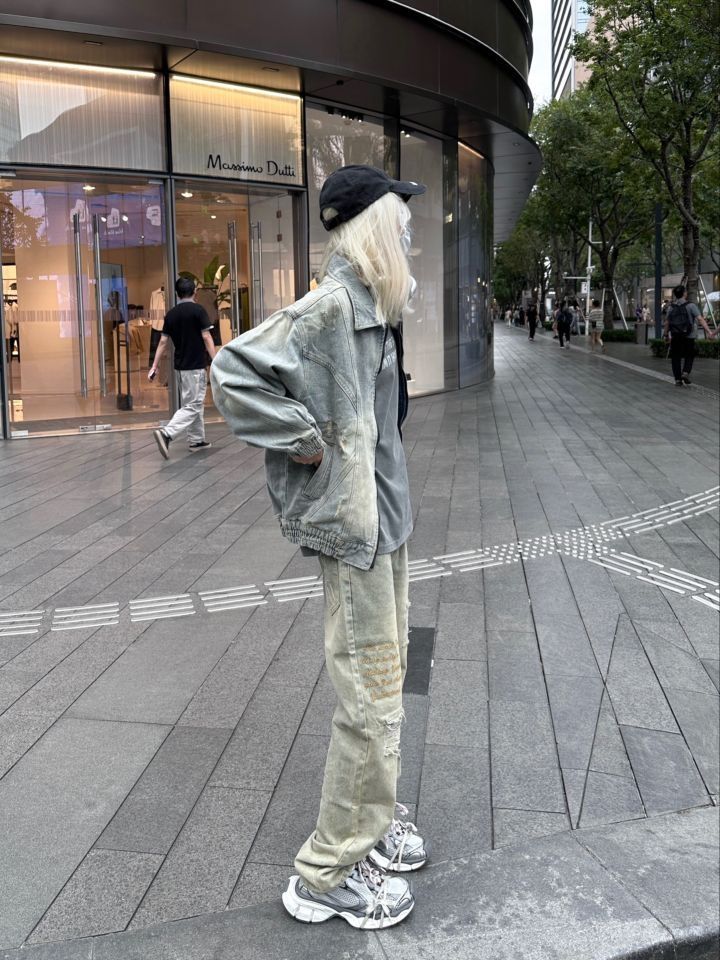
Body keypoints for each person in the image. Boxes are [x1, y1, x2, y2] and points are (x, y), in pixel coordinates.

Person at [211, 164, 429, 930]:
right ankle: (325, 872)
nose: (410, 235)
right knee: (369, 703)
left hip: (389, 530)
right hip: (357, 538)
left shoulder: (374, 309)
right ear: (372, 229)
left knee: (388, 692)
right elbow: (233, 372)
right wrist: (305, 438)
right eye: (401, 222)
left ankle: (371, 824)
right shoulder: (333, 308)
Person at [149, 276, 216, 457]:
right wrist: (215, 361)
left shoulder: (171, 314)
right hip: (195, 366)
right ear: (195, 292)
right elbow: (206, 337)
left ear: (177, 294)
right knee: (194, 404)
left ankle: (196, 440)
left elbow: (163, 342)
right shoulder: (198, 311)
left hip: (180, 368)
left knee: (192, 403)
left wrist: (154, 366)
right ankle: (167, 433)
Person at [663, 283, 716, 386]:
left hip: (675, 335)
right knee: (689, 355)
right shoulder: (691, 306)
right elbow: (700, 319)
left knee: (676, 357)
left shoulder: (671, 307)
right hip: (689, 335)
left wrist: (666, 335)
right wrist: (709, 332)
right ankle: (685, 373)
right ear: (684, 294)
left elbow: (667, 323)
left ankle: (678, 380)